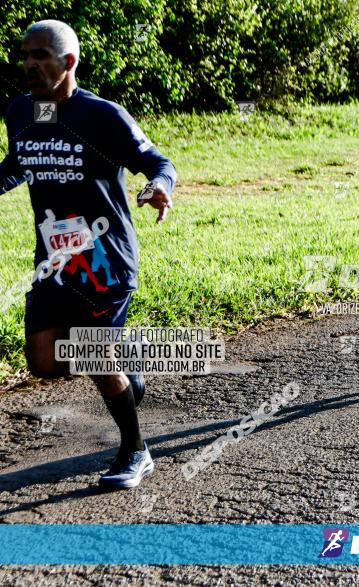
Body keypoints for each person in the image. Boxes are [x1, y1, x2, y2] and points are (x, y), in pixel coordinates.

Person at [0, 20, 176, 488]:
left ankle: (135, 452)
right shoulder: (25, 111)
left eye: (39, 55)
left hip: (104, 259)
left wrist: (159, 187)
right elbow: (21, 163)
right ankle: (127, 362)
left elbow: (157, 163)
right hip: (55, 259)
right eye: (25, 55)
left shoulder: (101, 116)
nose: (29, 64)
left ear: (68, 62)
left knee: (96, 355)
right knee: (43, 360)